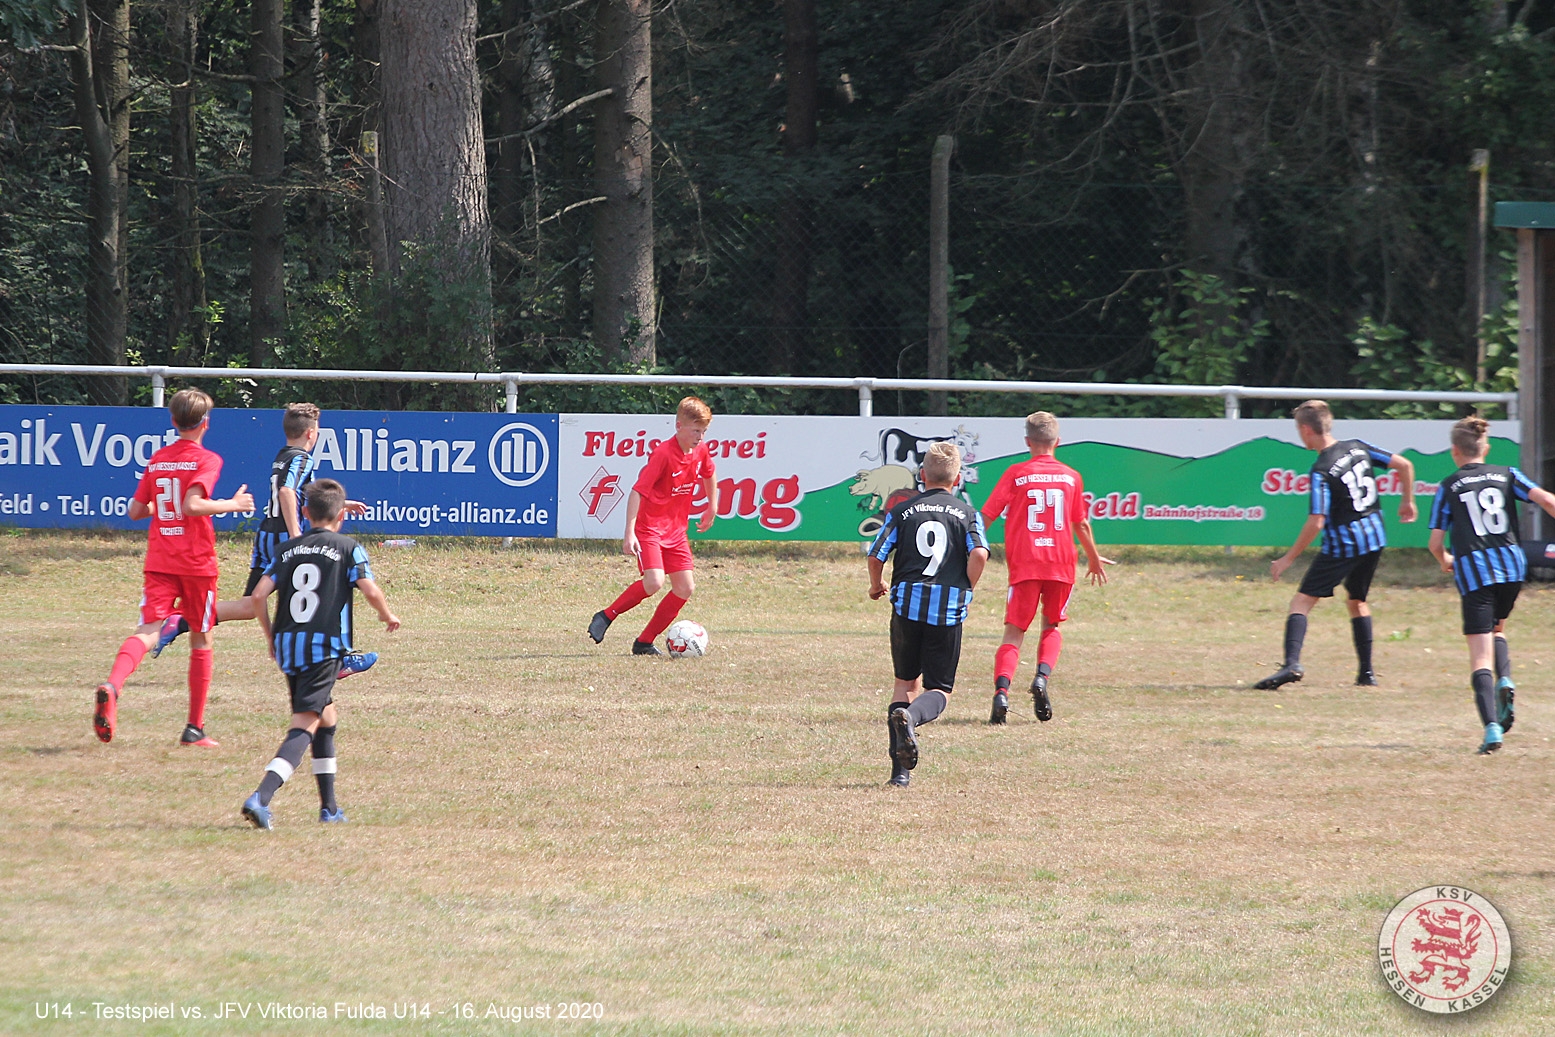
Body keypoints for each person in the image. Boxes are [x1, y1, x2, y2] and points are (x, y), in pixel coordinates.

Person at [153, 402, 376, 680]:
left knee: (249, 605)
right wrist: (296, 536)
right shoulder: (303, 458)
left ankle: (181, 620)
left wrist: (341, 503)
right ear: (311, 433)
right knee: (333, 583)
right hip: (284, 535)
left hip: (267, 533)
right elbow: (287, 491)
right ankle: (341, 657)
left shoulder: (283, 455)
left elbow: (299, 491)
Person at [92, 388, 255, 747]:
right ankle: (194, 729)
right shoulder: (207, 460)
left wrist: (164, 509)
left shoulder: (159, 459)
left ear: (173, 421)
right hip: (196, 563)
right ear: (205, 423)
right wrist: (233, 504)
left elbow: (136, 511)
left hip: (160, 559)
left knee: (148, 629)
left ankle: (113, 685)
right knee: (201, 636)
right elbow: (194, 505)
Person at [242, 479, 400, 828]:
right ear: (341, 516)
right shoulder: (348, 547)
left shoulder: (287, 549)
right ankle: (261, 797)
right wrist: (386, 614)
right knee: (306, 723)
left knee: (326, 718)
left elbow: (258, 596)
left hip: (289, 646)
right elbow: (369, 589)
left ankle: (329, 808)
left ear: (304, 512)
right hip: (323, 648)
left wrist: (270, 637)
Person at [1255, 400, 1416, 689]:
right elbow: (1404, 465)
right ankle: (1366, 674)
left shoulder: (1322, 469)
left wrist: (1288, 558)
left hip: (1344, 543)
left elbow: (1316, 521)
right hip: (1374, 537)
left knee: (1301, 602)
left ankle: (1291, 664)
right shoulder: (1357, 447)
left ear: (1306, 429)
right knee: (1357, 601)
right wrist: (1407, 502)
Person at [1427, 417, 1555, 754]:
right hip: (1512, 567)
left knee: (1479, 656)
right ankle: (1506, 678)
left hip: (1475, 570)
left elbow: (1435, 542)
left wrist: (1445, 559)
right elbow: (1548, 501)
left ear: (1454, 451)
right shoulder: (1507, 473)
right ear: (1487, 447)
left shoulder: (1449, 485)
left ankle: (1492, 729)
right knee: (1498, 627)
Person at [867, 442, 990, 788]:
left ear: (922, 475)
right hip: (947, 610)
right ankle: (912, 717)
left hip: (907, 604)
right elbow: (979, 553)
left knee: (905, 684)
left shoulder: (902, 510)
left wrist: (876, 585)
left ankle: (899, 774)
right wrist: (967, 587)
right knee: (939, 689)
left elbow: (876, 554)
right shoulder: (968, 513)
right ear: (958, 478)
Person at [979, 411, 1112, 725]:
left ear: (1028, 441)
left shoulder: (1016, 473)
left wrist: (968, 545)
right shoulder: (1071, 476)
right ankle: (1041, 678)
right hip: (1061, 563)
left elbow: (987, 515)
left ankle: (1002, 693)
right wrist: (1093, 558)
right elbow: (1081, 523)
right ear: (1058, 442)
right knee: (1052, 626)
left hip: (1025, 563)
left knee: (1014, 632)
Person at [587, 396, 719, 655]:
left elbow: (709, 472)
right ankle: (606, 615)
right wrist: (629, 533)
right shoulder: (663, 454)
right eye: (696, 430)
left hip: (676, 531)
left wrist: (711, 506)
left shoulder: (700, 450)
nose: (700, 437)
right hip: (650, 529)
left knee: (685, 588)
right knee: (654, 582)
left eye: (703, 431)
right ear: (679, 426)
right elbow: (637, 492)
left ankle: (644, 642)